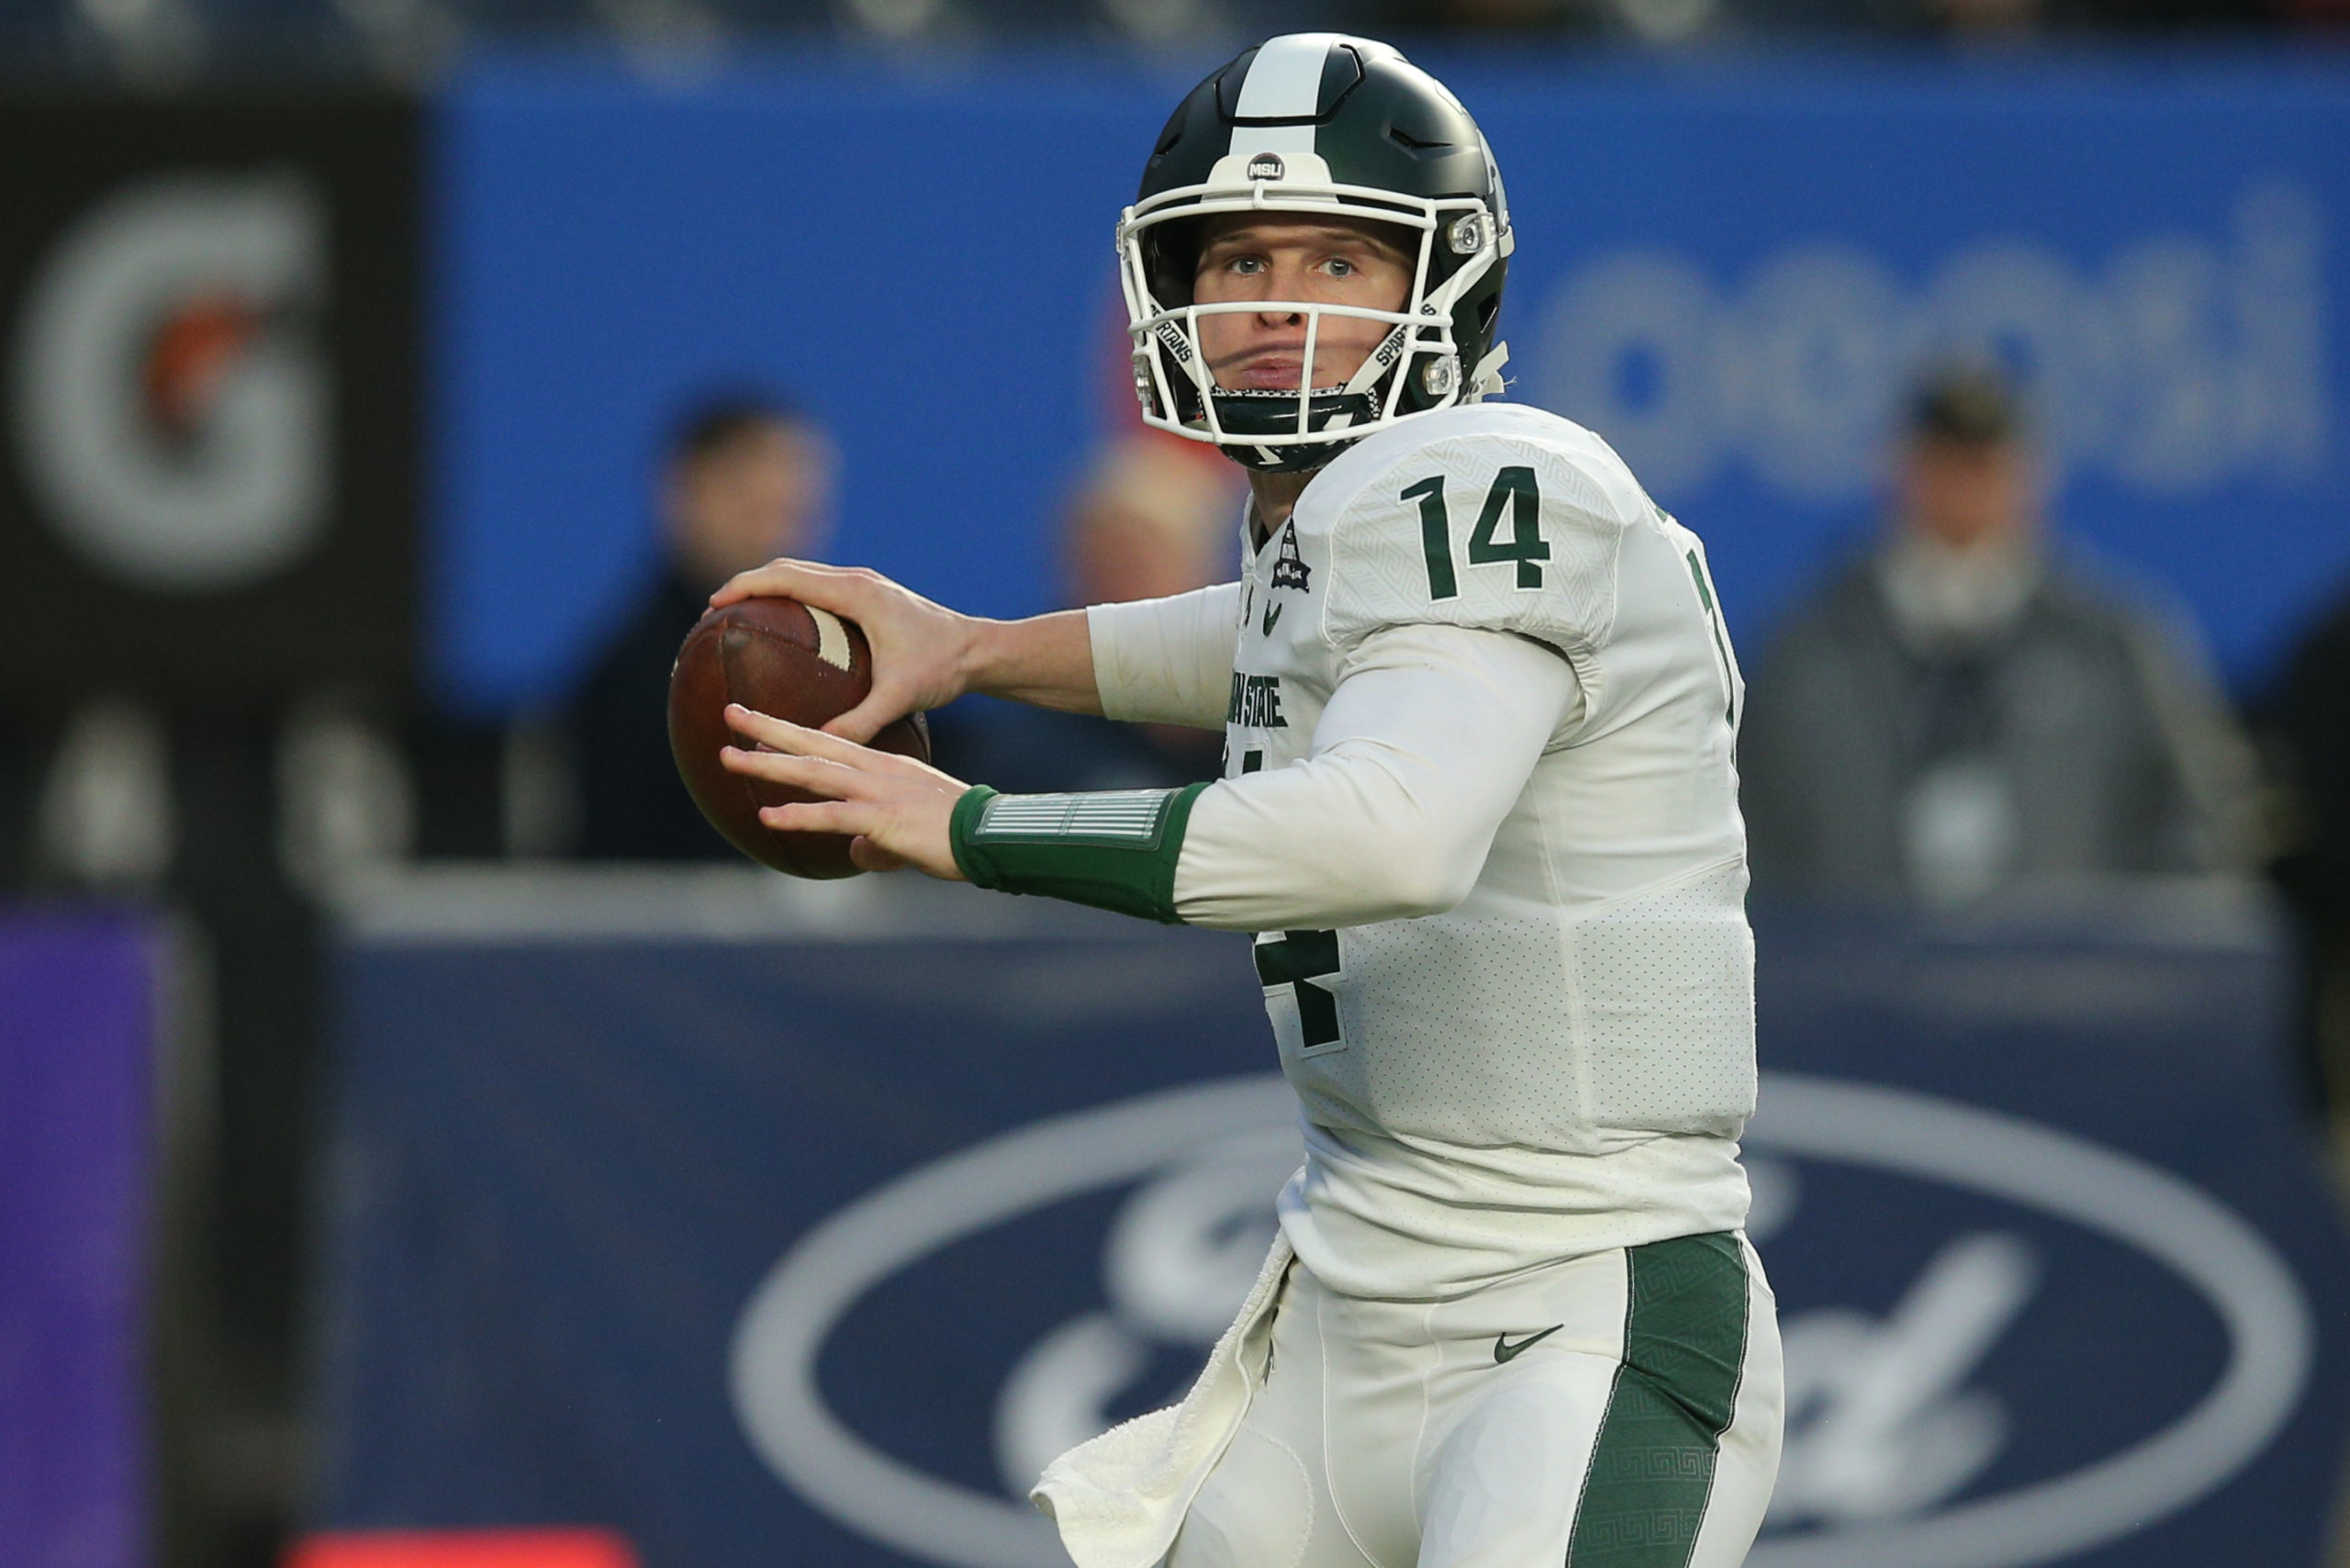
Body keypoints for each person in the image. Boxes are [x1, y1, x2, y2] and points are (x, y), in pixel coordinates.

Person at [713, 36, 1779, 1568]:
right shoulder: (1338, 528)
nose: (1280, 302)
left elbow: (1393, 833)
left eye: (1338, 258)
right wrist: (974, 647)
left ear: (1447, 278)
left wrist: (964, 824)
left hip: (1575, 1308)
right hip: (1343, 1305)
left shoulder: (1501, 474)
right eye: (1241, 259)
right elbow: (1270, 635)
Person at [1739, 365, 2254, 905]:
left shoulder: (2111, 646)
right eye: (1944, 465)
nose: (1964, 490)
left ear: (2032, 477)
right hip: (1854, 952)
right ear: (1899, 471)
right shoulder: (1808, 650)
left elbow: (2199, 821)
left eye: (1983, 467)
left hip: (2065, 954)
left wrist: (2124, 946)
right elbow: (1745, 825)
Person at [566, 391, 834, 859]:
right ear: (683, 493)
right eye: (752, 505)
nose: (777, 535)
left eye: (792, 512)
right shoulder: (632, 681)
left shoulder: (840, 663)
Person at [930, 432, 1239, 792]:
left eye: (1137, 563)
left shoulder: (1270, 718)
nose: (1117, 586)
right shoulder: (1027, 752)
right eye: (1099, 564)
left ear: (1208, 568)